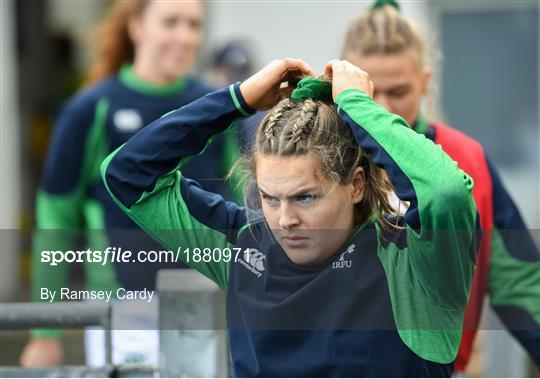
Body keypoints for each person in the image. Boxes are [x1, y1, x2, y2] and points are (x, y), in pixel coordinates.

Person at [100, 57, 479, 376]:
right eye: (270, 198)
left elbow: (444, 193)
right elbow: (127, 173)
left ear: (357, 185)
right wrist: (238, 99)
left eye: (305, 197)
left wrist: (358, 107)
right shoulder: (242, 247)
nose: (284, 220)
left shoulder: (417, 268)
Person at [20, 0, 234, 367]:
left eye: (193, 24)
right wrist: (45, 330)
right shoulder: (90, 109)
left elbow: (250, 199)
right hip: (125, 309)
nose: (185, 36)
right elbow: (56, 223)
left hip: (207, 304)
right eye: (170, 22)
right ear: (136, 27)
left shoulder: (217, 105)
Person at [340, 1, 540, 373]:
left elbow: (524, 285)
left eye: (398, 92)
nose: (382, 109)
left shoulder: (467, 161)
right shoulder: (323, 161)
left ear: (425, 82)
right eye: (370, 92)